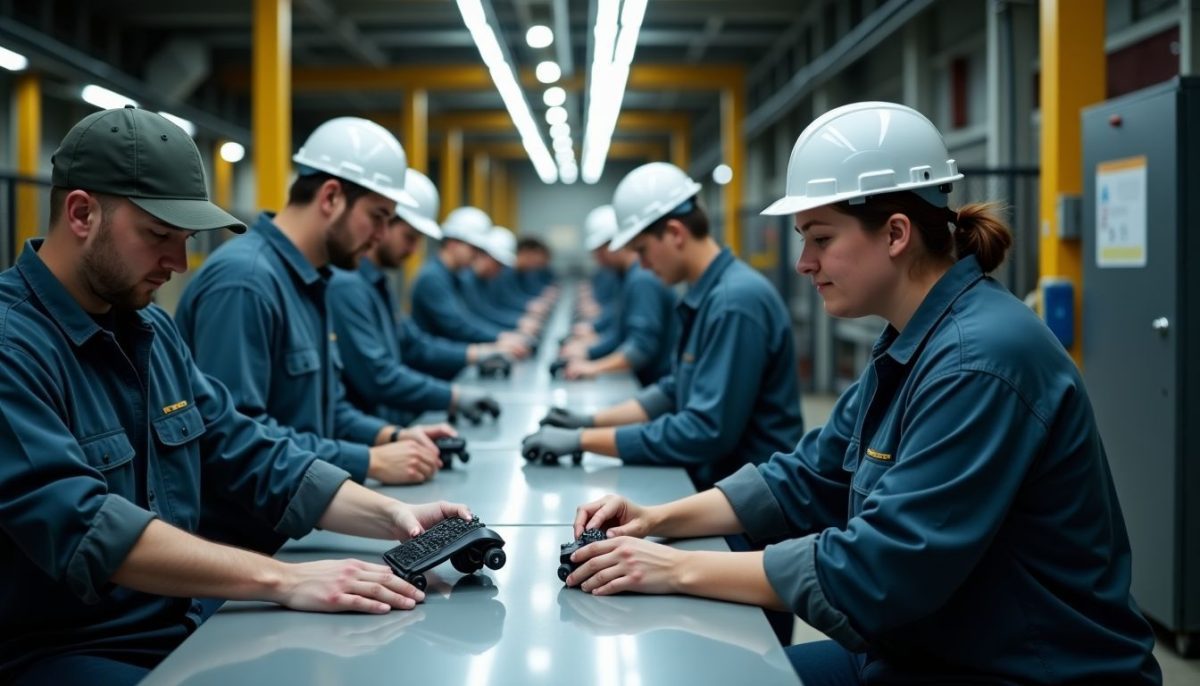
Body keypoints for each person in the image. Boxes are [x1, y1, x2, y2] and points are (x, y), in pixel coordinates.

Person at [564, 102, 1163, 685]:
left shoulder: (975, 360)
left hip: (1021, 668)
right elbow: (810, 474)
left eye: (820, 238)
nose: (803, 262)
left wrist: (677, 567)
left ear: (897, 233)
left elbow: (884, 566)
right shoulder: (912, 342)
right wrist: (655, 519)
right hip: (930, 648)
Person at [0, 107, 470, 685]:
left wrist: (396, 518)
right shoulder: (12, 347)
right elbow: (86, 525)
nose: (179, 263)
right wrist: (287, 579)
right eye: (158, 236)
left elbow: (245, 445)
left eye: (187, 239)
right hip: (67, 652)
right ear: (81, 213)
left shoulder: (150, 330)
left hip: (183, 622)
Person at [174, 117, 452, 556]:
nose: (381, 235)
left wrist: (389, 436)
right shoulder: (245, 283)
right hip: (240, 545)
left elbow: (327, 407)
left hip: (296, 523)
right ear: (331, 197)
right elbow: (237, 436)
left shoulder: (310, 282)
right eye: (378, 217)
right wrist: (369, 461)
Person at [522, 162, 804, 491]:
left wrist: (584, 439)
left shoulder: (734, 302)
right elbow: (674, 390)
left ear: (674, 233)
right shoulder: (711, 294)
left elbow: (704, 431)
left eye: (642, 250)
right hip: (720, 484)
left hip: (748, 503)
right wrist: (587, 423)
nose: (641, 264)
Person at [328, 169, 508, 426]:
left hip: (383, 423)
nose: (413, 251)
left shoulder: (377, 282)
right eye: (409, 238)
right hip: (370, 427)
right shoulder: (347, 285)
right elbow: (378, 376)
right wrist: (452, 395)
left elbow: (412, 343)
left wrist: (477, 356)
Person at [558, 204, 678, 386]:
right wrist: (590, 351)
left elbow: (640, 348)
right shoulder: (628, 276)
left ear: (614, 245)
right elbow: (621, 332)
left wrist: (593, 366)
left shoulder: (642, 280)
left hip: (656, 384)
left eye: (599, 251)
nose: (597, 259)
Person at [409, 206, 536, 348]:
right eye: (474, 248)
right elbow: (456, 325)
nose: (476, 255)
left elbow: (469, 317)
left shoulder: (454, 277)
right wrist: (499, 337)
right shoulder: (433, 278)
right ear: (453, 243)